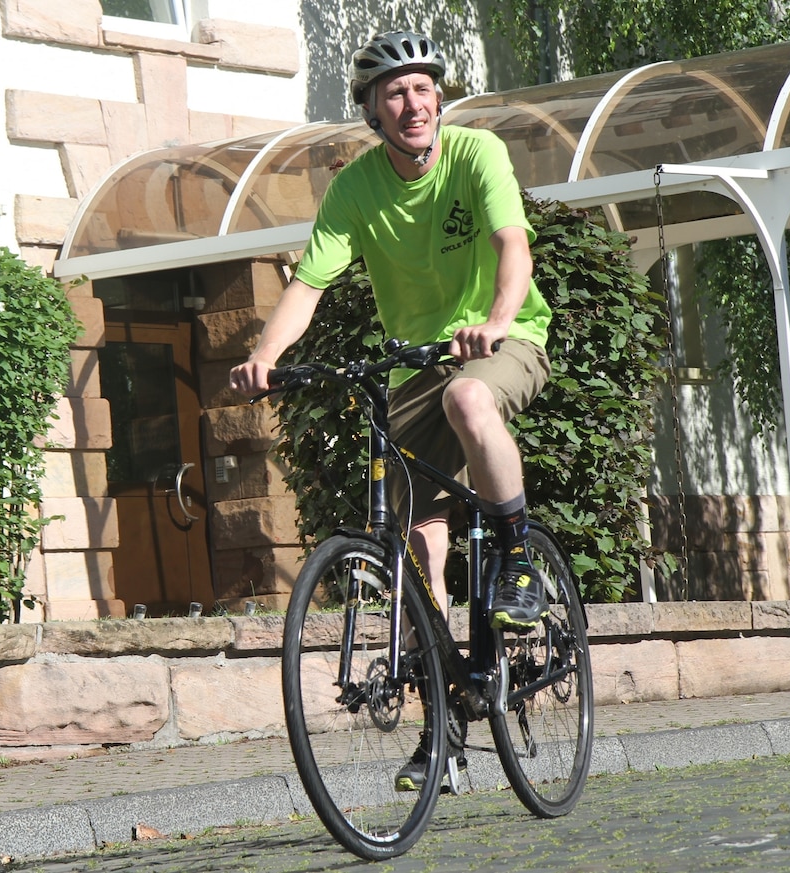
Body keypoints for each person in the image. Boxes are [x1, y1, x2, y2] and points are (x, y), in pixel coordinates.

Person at [228, 31, 553, 789]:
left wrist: (499, 319)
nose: (413, 103)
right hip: (419, 361)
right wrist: (265, 356)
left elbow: (513, 246)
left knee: (471, 395)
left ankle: (517, 559)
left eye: (422, 88)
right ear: (373, 112)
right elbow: (308, 286)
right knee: (416, 547)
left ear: (439, 97)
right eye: (395, 93)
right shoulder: (356, 188)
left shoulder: (477, 156)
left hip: (504, 340)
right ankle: (443, 727)